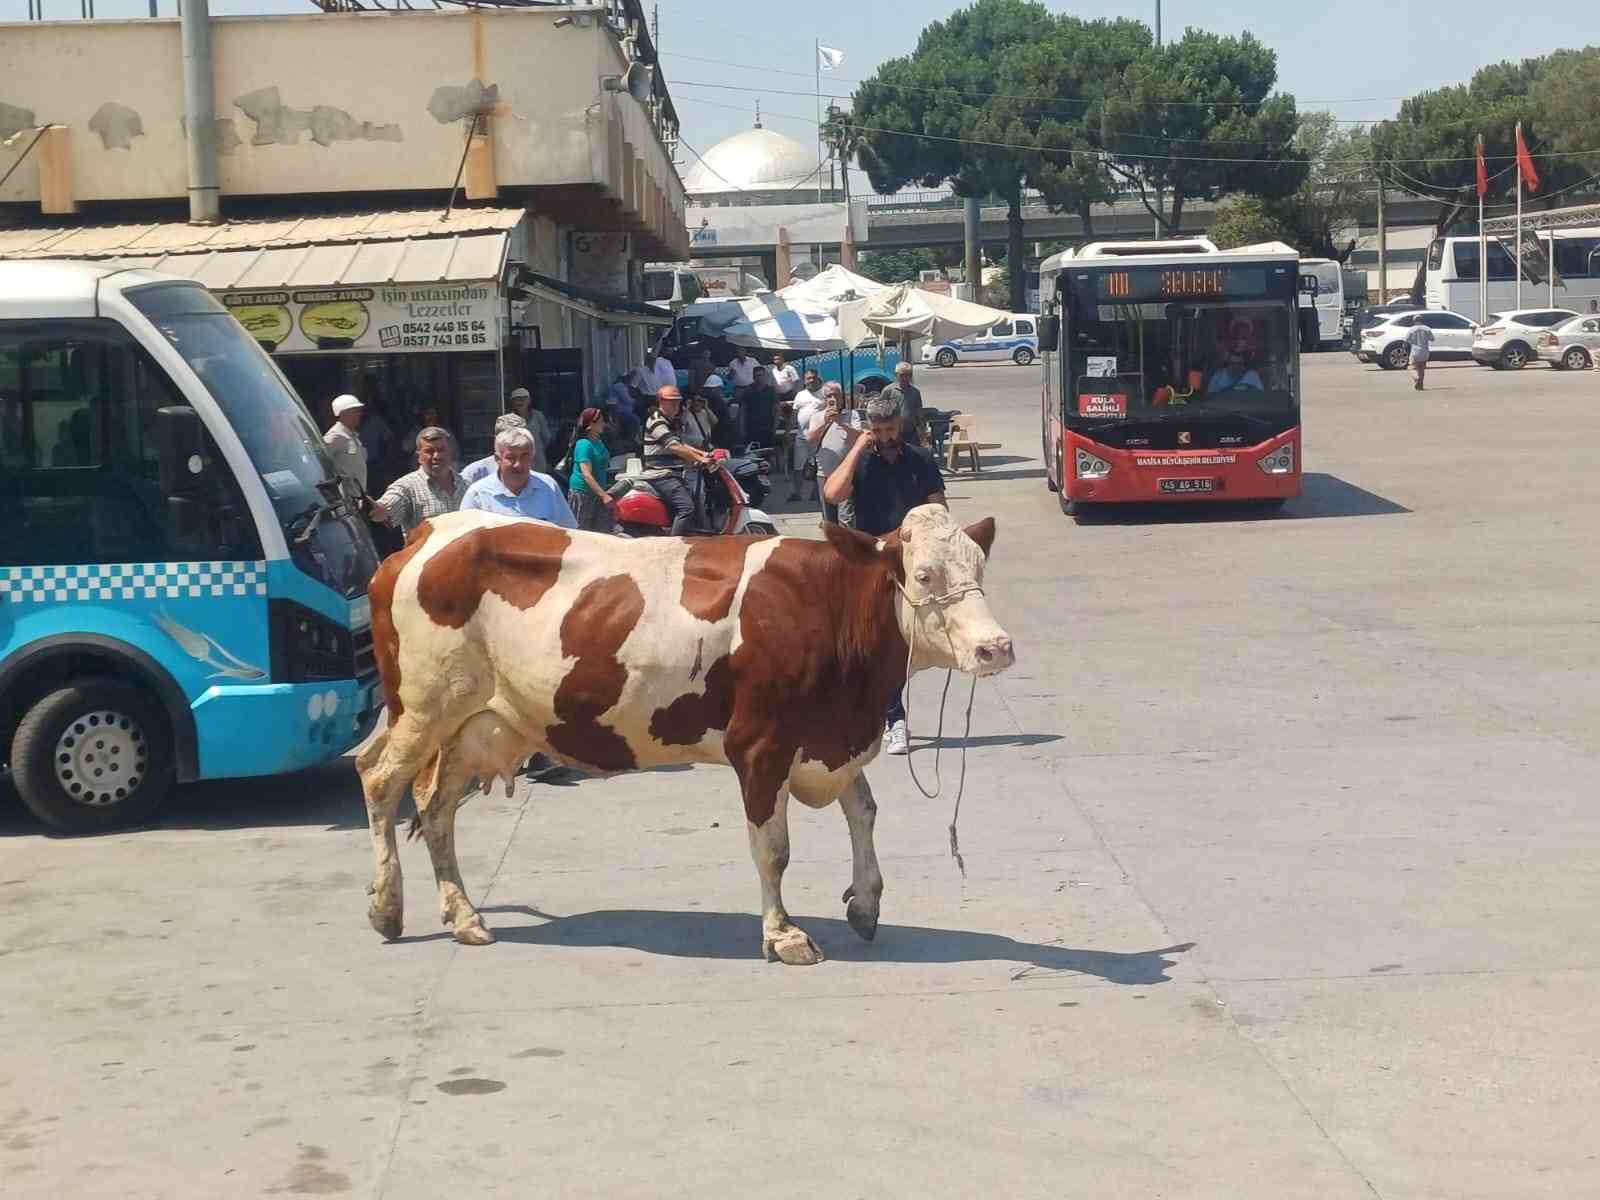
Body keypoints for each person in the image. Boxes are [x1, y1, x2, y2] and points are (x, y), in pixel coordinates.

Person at [823, 393, 946, 756]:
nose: (885, 436)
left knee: (898, 643)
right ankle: (883, 717)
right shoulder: (862, 460)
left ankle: (891, 717)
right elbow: (833, 493)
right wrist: (858, 445)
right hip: (871, 559)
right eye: (877, 430)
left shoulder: (919, 459)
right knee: (869, 641)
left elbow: (938, 504)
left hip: (911, 560)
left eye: (890, 429)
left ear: (900, 425)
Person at [460, 426, 576, 527]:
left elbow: (569, 530)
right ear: (497, 459)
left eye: (525, 456)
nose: (518, 465)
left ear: (533, 457)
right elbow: (463, 539)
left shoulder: (548, 486)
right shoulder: (478, 494)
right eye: (511, 458)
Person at [642, 384, 715, 536]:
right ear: (661, 401)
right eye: (671, 401)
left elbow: (681, 443)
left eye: (677, 401)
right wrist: (699, 459)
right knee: (687, 508)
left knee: (695, 499)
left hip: (673, 473)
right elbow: (674, 446)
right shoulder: (657, 421)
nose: (676, 405)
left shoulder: (670, 421)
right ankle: (674, 545)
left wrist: (703, 454)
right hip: (660, 475)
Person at [372, 426, 467, 539]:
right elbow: (383, 512)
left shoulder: (466, 485)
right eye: (429, 451)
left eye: (441, 450)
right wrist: (374, 509)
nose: (436, 456)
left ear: (450, 453)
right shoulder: (406, 487)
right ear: (418, 457)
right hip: (428, 556)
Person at [806, 381, 861, 525]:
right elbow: (811, 438)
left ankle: (847, 546)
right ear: (824, 399)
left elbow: (859, 437)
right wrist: (826, 421)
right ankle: (831, 545)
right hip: (824, 474)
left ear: (842, 398)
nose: (833, 398)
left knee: (845, 518)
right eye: (829, 396)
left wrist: (841, 422)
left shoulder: (851, 414)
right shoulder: (817, 417)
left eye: (836, 395)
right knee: (828, 518)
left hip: (845, 474)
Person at [568, 407, 618, 532]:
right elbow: (587, 474)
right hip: (583, 494)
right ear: (591, 425)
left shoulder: (599, 442)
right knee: (581, 532)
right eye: (600, 421)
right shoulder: (584, 444)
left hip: (598, 492)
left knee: (601, 531)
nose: (603, 424)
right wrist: (604, 495)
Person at [461, 412, 529, 485]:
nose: (515, 443)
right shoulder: (474, 473)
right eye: (508, 438)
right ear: (496, 439)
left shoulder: (536, 472)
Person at [322, 393, 367, 495]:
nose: (359, 414)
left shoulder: (353, 436)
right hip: (348, 499)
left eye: (359, 411)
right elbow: (320, 459)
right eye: (355, 411)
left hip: (359, 496)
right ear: (344, 413)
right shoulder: (335, 436)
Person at [507, 387, 552, 473]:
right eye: (517, 399)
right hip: (517, 460)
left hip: (538, 459)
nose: (520, 401)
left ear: (529, 401)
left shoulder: (538, 416)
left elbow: (546, 438)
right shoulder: (508, 419)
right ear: (512, 402)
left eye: (523, 398)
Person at [880, 361, 925, 447]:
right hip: (893, 433)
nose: (904, 378)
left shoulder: (915, 392)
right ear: (896, 375)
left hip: (911, 433)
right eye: (902, 375)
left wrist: (922, 433)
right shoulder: (888, 391)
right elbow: (881, 412)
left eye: (907, 375)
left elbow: (919, 413)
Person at [1405, 319, 1434, 391]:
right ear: (1422, 320)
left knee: (1411, 367)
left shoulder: (1411, 329)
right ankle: (1420, 386)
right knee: (1421, 369)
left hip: (1415, 351)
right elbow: (1432, 339)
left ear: (1414, 321)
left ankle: (1416, 378)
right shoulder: (1427, 329)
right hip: (1425, 352)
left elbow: (1406, 340)